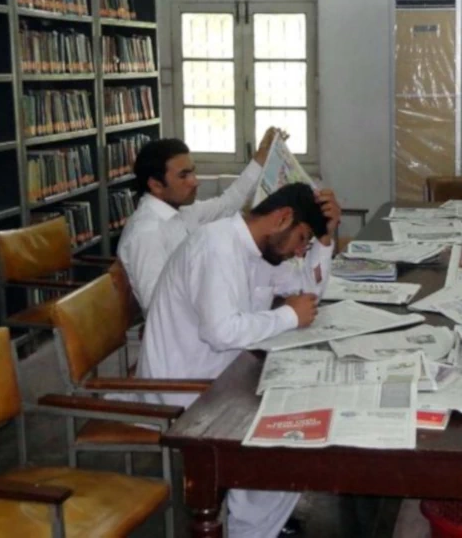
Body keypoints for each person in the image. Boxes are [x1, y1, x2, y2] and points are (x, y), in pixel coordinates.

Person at [135, 182, 340, 538]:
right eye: (301, 239)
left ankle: (261, 522)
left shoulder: (260, 250)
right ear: (282, 218)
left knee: (308, 416)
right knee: (287, 436)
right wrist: (287, 316)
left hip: (224, 372)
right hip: (186, 388)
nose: (297, 252)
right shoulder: (216, 246)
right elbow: (221, 331)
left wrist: (324, 240)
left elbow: (307, 293)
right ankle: (251, 527)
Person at [116, 127, 285, 310]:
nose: (195, 182)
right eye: (184, 176)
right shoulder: (146, 233)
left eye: (192, 172)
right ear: (156, 185)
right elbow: (157, 306)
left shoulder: (181, 211)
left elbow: (228, 204)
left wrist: (260, 159)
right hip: (184, 330)